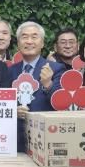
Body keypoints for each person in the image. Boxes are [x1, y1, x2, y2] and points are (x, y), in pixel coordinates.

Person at [9, 21, 64, 152]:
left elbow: (60, 103)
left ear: (42, 43)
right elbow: (3, 101)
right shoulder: (9, 71)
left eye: (34, 37)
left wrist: (48, 84)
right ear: (18, 43)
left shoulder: (56, 68)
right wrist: (12, 111)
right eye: (24, 37)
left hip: (44, 136)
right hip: (14, 139)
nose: (29, 41)